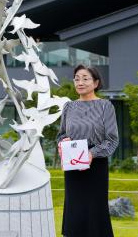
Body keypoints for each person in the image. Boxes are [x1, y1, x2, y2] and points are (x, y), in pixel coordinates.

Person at [57, 64, 119, 237]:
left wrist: (91, 154)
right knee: (74, 209)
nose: (80, 82)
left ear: (96, 83)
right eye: (77, 78)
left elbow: (112, 139)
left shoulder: (105, 106)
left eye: (85, 78)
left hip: (95, 164)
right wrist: (63, 143)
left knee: (95, 210)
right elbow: (61, 134)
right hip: (72, 165)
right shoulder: (69, 107)